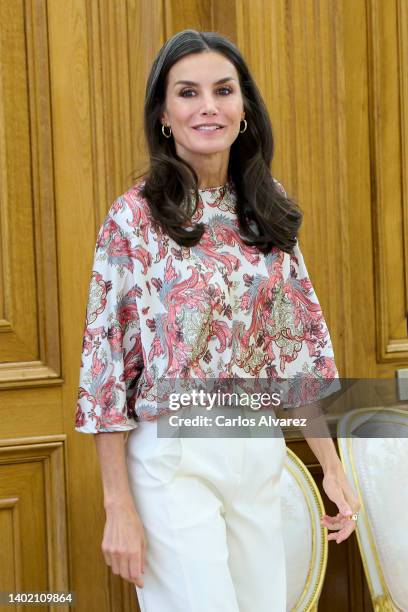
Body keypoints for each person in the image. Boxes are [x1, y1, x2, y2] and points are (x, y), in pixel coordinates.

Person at [75, 29, 360, 612]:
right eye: (188, 92)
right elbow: (107, 369)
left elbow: (296, 345)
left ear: (245, 108)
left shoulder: (266, 206)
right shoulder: (134, 218)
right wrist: (117, 507)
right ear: (163, 114)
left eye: (223, 90)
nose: (208, 105)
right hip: (173, 458)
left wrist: (331, 467)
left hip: (257, 448)